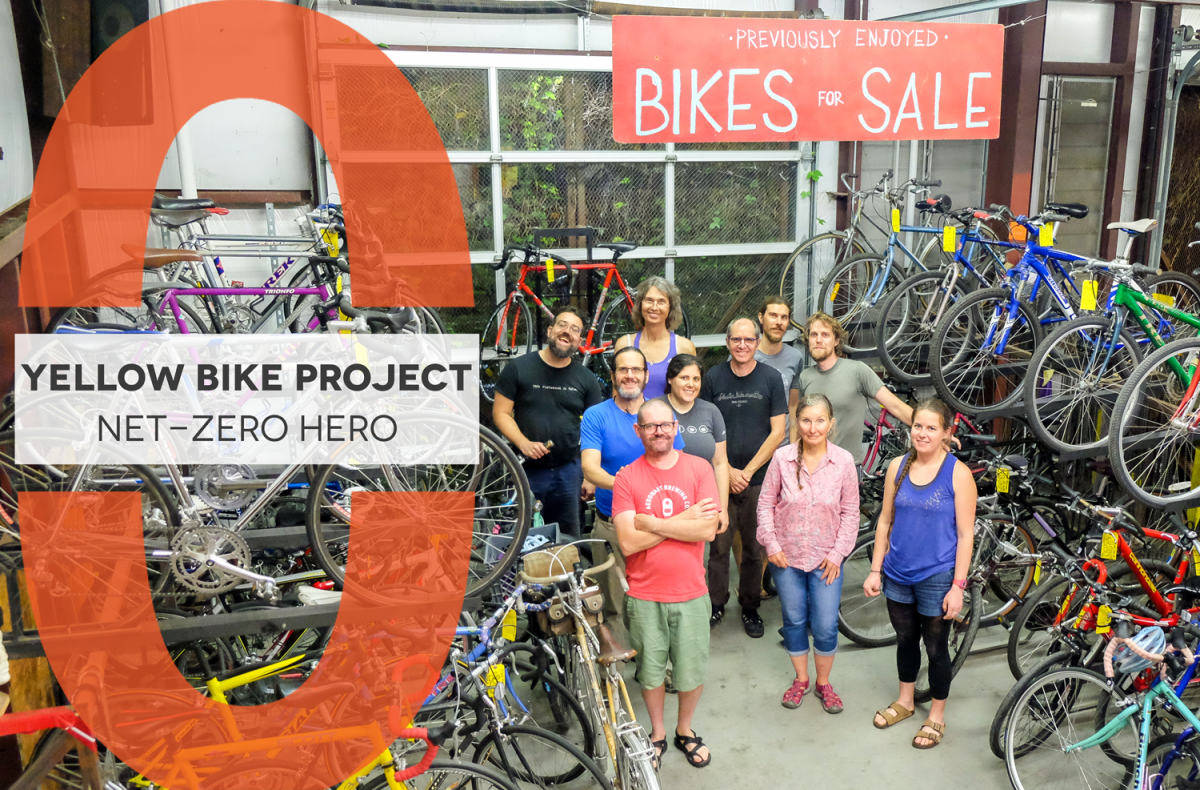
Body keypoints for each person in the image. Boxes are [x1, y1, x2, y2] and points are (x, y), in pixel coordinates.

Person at [612, 398, 720, 770]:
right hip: (644, 595)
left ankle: (684, 730)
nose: (658, 431)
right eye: (650, 426)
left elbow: (707, 528)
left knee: (690, 672)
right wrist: (683, 522)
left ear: (676, 428)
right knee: (652, 672)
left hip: (691, 591)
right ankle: (657, 733)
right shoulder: (627, 477)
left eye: (665, 425)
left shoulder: (699, 468)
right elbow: (627, 542)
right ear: (638, 431)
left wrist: (652, 523)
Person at [863, 398, 977, 750]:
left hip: (937, 576)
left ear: (946, 432)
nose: (922, 434)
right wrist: (875, 569)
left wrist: (958, 586)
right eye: (917, 426)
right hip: (897, 572)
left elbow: (965, 535)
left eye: (931, 427)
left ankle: (937, 715)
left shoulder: (958, 474)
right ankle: (906, 701)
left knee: (936, 646)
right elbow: (885, 521)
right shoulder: (897, 466)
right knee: (904, 639)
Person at [757, 394, 858, 714]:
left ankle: (824, 683)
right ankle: (801, 679)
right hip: (786, 558)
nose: (813, 428)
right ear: (796, 423)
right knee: (794, 619)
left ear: (831, 424)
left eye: (819, 421)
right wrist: (771, 544)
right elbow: (765, 505)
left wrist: (838, 553)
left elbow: (851, 513)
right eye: (805, 420)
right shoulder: (781, 458)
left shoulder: (843, 462)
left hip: (826, 559)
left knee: (827, 624)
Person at [699, 317, 787, 638]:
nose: (742, 345)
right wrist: (730, 472)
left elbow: (778, 432)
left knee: (753, 548)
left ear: (757, 342)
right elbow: (704, 427)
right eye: (736, 340)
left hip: (759, 479)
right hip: (719, 477)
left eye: (749, 340)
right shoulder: (713, 378)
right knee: (718, 547)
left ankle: (750, 607)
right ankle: (716, 603)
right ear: (727, 342)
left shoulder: (771, 378)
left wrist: (747, 472)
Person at [582, 346, 684, 620]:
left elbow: (680, 465)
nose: (630, 375)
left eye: (636, 369)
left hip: (659, 524)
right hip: (611, 525)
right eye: (623, 370)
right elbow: (590, 469)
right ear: (613, 375)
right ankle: (622, 661)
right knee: (614, 606)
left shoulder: (662, 413)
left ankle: (658, 660)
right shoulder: (596, 415)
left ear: (647, 376)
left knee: (660, 600)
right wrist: (631, 488)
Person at [493, 306, 604, 538]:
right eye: (562, 325)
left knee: (567, 540)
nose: (567, 332)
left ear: (579, 340)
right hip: (525, 471)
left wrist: (591, 476)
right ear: (550, 331)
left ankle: (564, 576)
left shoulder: (587, 379)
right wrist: (523, 442)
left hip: (569, 473)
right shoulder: (518, 368)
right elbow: (501, 413)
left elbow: (596, 431)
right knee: (520, 539)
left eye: (575, 329)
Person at [790, 311, 914, 463]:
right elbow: (798, 424)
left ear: (836, 341)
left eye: (825, 335)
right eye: (814, 335)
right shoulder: (805, 377)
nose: (818, 340)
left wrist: (935, 431)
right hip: (811, 467)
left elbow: (896, 406)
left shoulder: (857, 370)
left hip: (848, 467)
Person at [657, 353, 730, 534]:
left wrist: (722, 507)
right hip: (664, 502)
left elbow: (720, 463)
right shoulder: (655, 409)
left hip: (703, 503)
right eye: (684, 378)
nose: (691, 384)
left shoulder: (711, 411)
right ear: (670, 379)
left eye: (696, 379)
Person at [615, 276, 696, 400]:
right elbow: (616, 396)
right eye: (649, 300)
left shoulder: (684, 347)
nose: (654, 307)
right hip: (631, 419)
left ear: (671, 307)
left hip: (671, 418)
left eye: (661, 301)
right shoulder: (624, 344)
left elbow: (690, 395)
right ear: (640, 304)